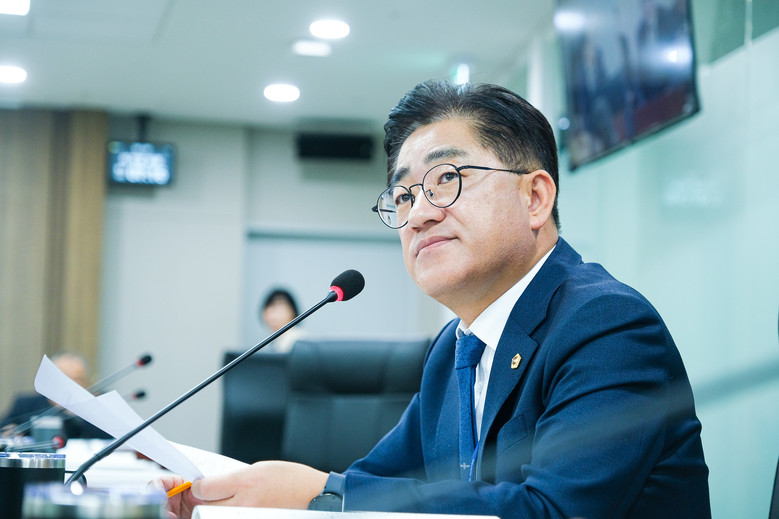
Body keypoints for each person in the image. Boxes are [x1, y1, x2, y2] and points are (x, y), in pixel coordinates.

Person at [160, 80, 711, 518]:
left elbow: (552, 510)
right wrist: (239, 494)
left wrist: (322, 496)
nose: (418, 213)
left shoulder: (606, 325)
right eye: (402, 195)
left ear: (535, 197)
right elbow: (371, 482)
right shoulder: (454, 348)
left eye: (446, 178)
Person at [1, 352, 110, 439]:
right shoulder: (26, 404)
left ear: (86, 382)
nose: (70, 385)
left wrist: (79, 410)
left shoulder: (98, 405)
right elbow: (5, 430)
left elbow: (109, 437)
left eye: (77, 379)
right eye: (64, 378)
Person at [259, 288, 302, 354]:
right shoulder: (277, 341)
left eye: (278, 310)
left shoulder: (297, 340)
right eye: (270, 309)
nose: (273, 316)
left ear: (292, 312)